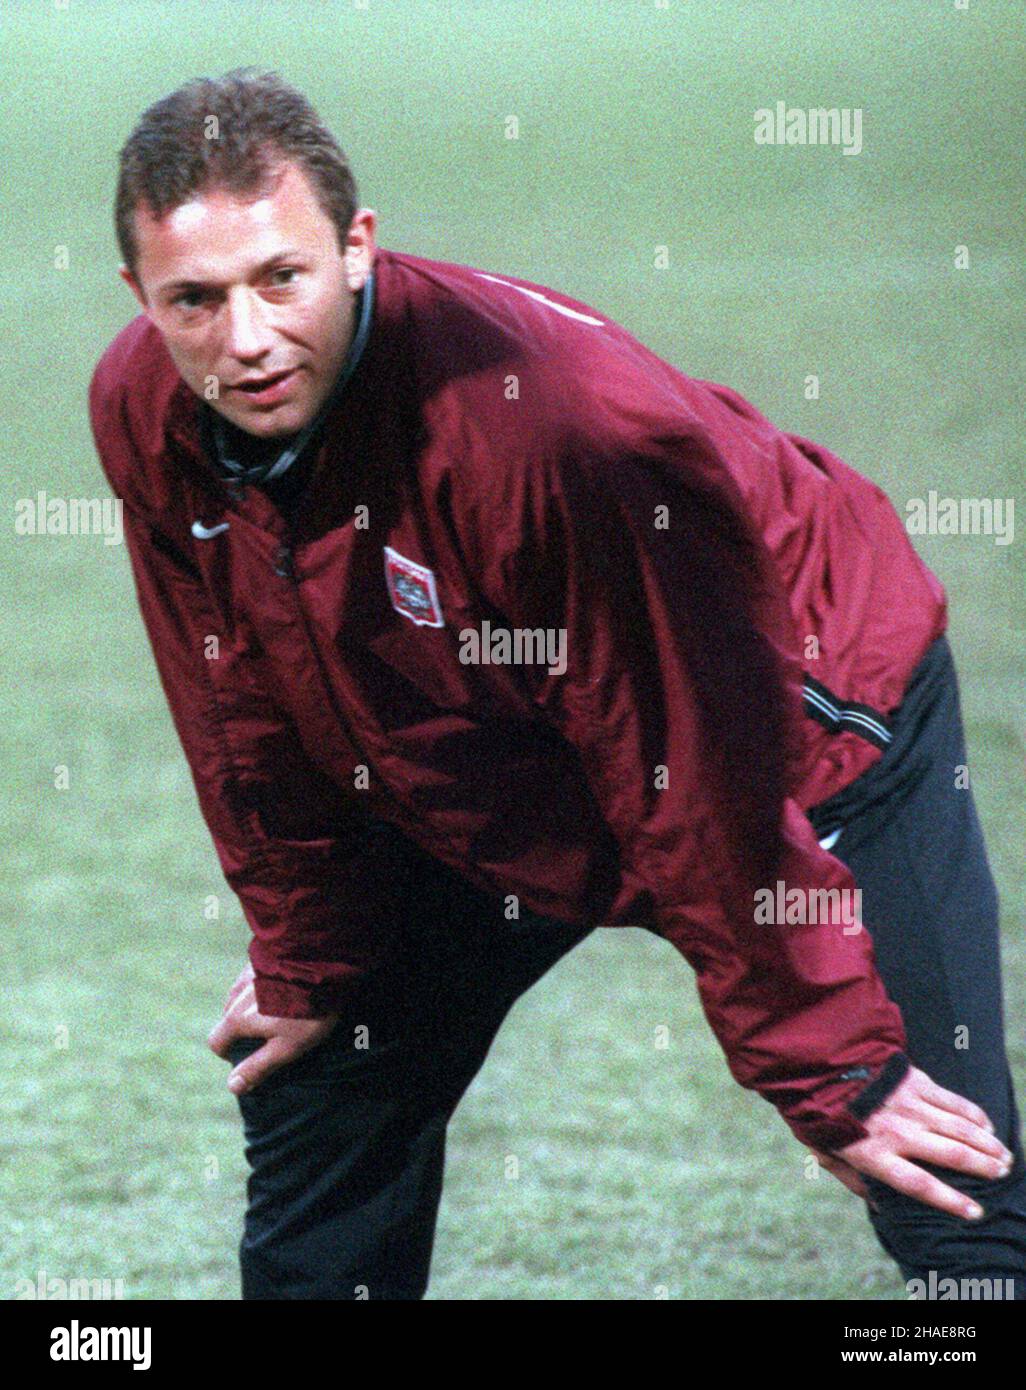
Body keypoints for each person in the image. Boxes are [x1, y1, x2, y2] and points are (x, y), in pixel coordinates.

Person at [90, 68, 1025, 1300]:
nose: (247, 339)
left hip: (798, 713)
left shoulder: (563, 432)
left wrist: (822, 1065)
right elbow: (238, 706)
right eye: (195, 300)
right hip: (494, 739)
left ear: (359, 245)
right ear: (140, 298)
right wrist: (314, 950)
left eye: (283, 278)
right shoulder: (146, 405)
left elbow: (693, 759)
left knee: (930, 1160)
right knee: (322, 1061)